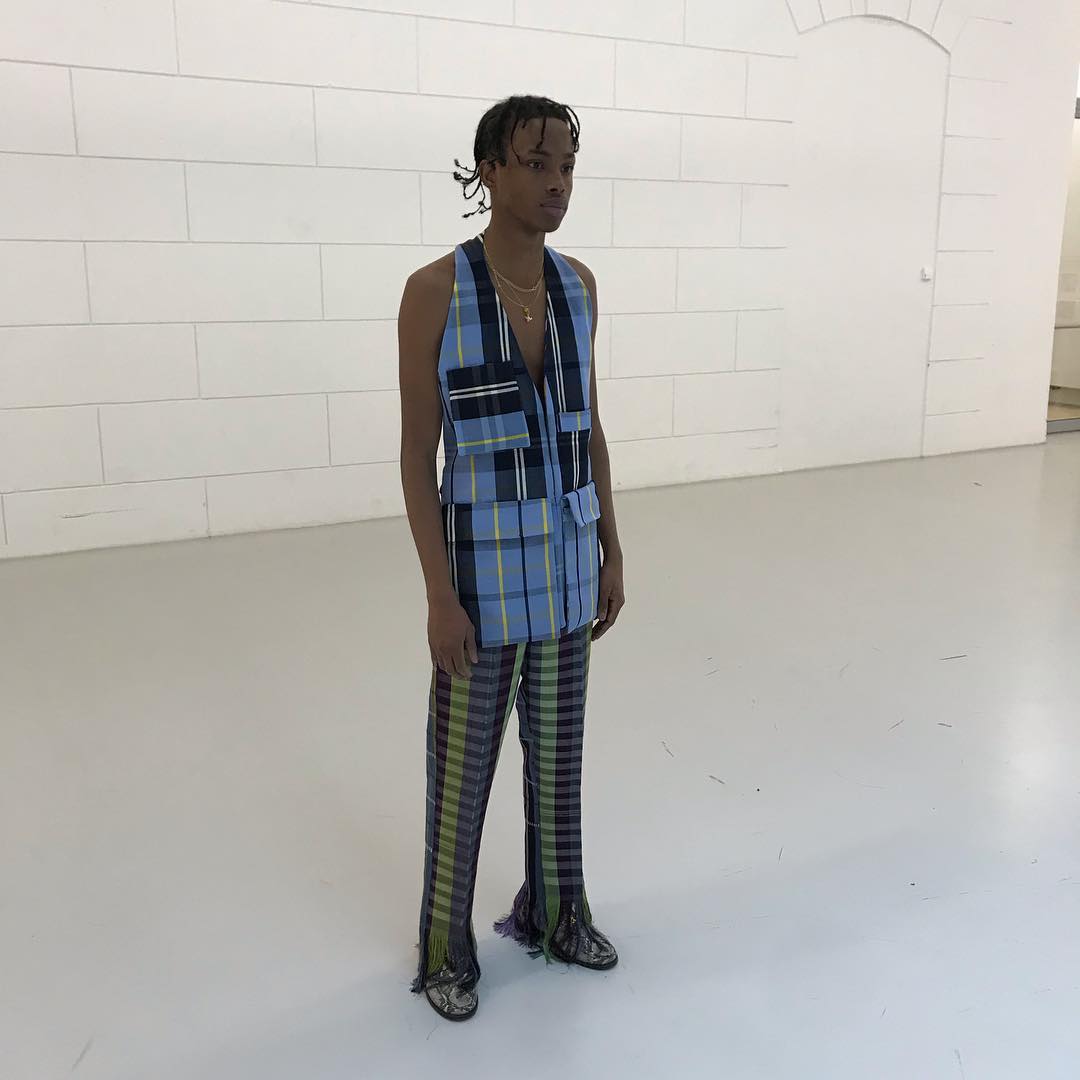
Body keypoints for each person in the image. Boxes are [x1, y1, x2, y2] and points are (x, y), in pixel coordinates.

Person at [397, 94, 626, 1021]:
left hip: (567, 578)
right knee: (460, 777)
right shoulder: (435, 291)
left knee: (560, 764)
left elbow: (590, 427)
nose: (556, 183)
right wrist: (438, 596)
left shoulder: (578, 286)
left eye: (566, 165)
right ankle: (445, 951)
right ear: (488, 169)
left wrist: (611, 547)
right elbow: (417, 455)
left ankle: (557, 914)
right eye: (536, 164)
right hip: (481, 586)